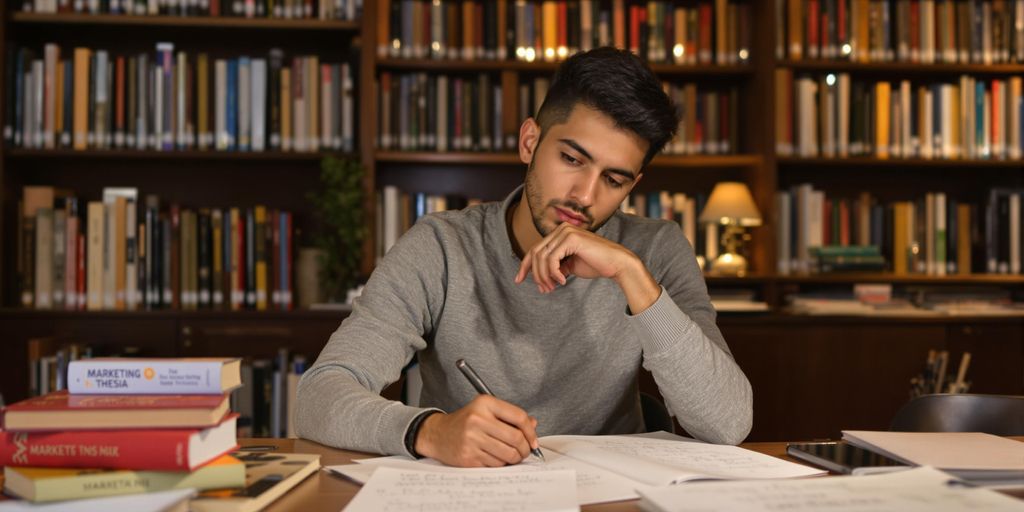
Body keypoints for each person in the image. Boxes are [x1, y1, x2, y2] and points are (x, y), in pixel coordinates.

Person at [295, 47, 752, 468]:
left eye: (613, 180)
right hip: (474, 489)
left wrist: (632, 276)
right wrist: (428, 431)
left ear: (632, 186)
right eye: (572, 158)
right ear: (530, 142)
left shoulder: (657, 250)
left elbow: (728, 422)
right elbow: (317, 396)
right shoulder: (441, 247)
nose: (584, 196)